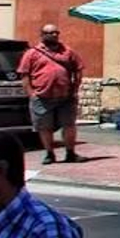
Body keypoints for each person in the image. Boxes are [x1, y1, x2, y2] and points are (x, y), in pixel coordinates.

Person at [16, 25, 82, 166]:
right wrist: (31, 94)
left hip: (65, 96)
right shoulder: (32, 53)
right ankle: (49, 153)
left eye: (56, 32)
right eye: (50, 33)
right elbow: (24, 74)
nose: (54, 35)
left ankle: (70, 152)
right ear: (42, 35)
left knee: (69, 125)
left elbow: (78, 68)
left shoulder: (67, 51)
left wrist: (75, 87)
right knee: (44, 127)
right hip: (42, 96)